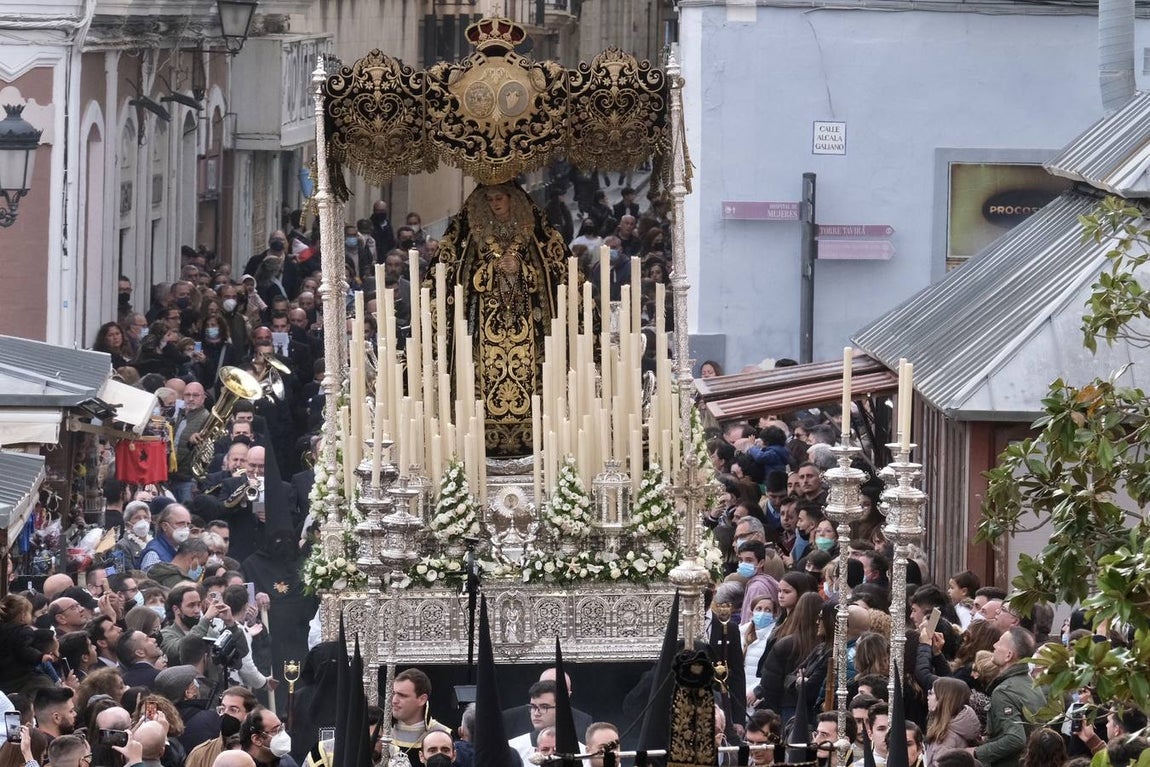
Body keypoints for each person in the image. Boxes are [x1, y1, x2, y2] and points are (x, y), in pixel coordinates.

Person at [430, 183, 570, 456]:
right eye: (490, 199)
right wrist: (491, 268)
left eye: (500, 198)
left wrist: (523, 269)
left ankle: (535, 433)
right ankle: (480, 434)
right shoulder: (473, 235)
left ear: (512, 199)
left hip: (527, 324)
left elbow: (552, 275)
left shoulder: (531, 234)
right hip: (485, 325)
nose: (495, 203)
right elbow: (458, 278)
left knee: (531, 376)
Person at [970, 628, 1045, 767]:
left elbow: (1015, 739)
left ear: (1009, 655)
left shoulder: (1003, 692)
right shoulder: (1032, 684)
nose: (994, 646)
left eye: (999, 643)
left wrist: (976, 752)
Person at [389, 669, 450, 763]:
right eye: (393, 694)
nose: (394, 700)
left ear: (422, 699)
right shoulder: (382, 733)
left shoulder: (443, 735)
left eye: (402, 695)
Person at [925, 678, 981, 766]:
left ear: (943, 700)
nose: (928, 697)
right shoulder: (957, 728)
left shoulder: (945, 737)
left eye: (931, 693)